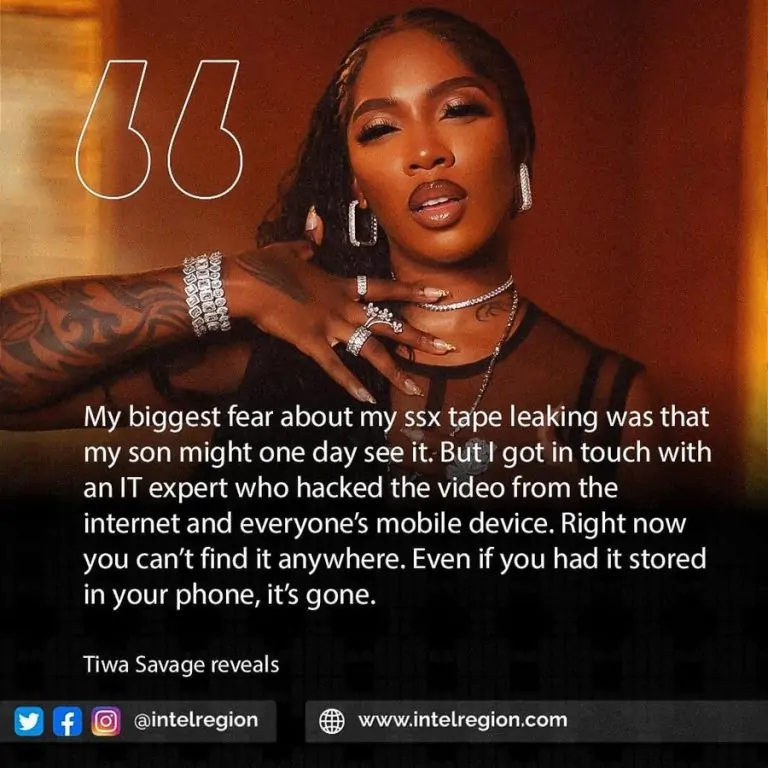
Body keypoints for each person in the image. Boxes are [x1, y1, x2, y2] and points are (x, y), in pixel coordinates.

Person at [0, 8, 659, 500]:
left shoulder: (609, 404)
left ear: (517, 143)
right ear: (356, 188)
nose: (424, 151)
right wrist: (233, 284)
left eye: (459, 110)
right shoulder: (287, 346)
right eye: (381, 128)